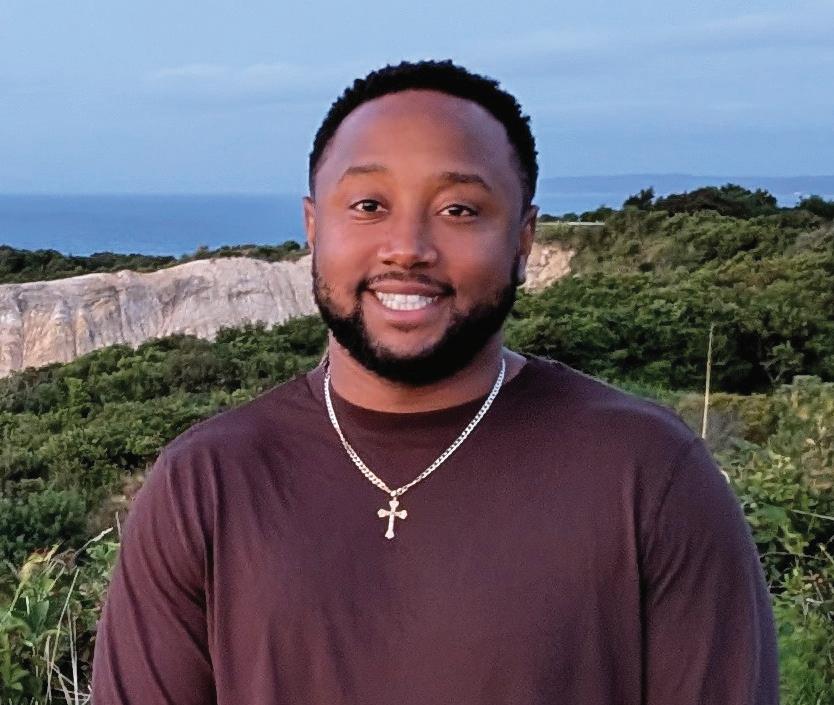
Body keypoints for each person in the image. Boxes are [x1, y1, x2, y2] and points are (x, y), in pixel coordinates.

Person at [91, 60, 779, 704]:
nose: (407, 248)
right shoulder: (206, 484)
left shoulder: (648, 475)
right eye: (368, 205)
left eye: (459, 210)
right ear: (313, 227)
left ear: (523, 240)